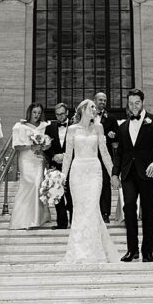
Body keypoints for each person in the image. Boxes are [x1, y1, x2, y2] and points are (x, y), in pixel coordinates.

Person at [111, 88, 153, 262]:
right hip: (128, 174)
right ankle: (132, 250)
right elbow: (119, 153)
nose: (134, 107)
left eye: (137, 103)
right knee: (129, 207)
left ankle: (147, 252)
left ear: (143, 102)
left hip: (149, 173)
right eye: (131, 103)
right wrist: (115, 174)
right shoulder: (123, 126)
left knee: (149, 212)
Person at [60, 99, 119, 263]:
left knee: (92, 207)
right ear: (83, 109)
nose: (95, 109)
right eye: (92, 106)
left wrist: (114, 174)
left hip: (94, 171)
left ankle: (96, 251)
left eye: (95, 106)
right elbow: (67, 156)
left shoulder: (99, 128)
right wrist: (61, 178)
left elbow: (105, 153)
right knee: (79, 211)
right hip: (77, 172)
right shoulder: (72, 129)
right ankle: (79, 251)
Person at [10, 103, 50, 230]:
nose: (36, 115)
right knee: (28, 185)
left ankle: (37, 218)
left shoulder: (44, 126)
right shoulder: (20, 126)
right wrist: (31, 146)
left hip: (38, 159)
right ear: (29, 112)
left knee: (38, 184)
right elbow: (16, 146)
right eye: (34, 112)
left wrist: (43, 146)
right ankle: (22, 219)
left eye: (39, 113)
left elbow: (48, 144)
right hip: (25, 159)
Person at [45, 103, 73, 229]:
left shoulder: (75, 126)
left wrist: (65, 156)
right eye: (57, 114)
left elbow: (78, 146)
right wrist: (53, 156)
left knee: (72, 194)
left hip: (72, 165)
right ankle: (61, 223)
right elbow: (46, 147)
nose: (60, 116)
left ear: (67, 113)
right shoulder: (50, 127)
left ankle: (74, 222)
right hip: (55, 165)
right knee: (57, 194)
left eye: (62, 114)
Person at [93, 91, 119, 222]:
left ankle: (105, 213)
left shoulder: (111, 118)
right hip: (90, 155)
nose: (102, 102)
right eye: (100, 100)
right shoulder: (87, 116)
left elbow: (117, 138)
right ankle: (93, 212)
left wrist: (112, 136)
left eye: (104, 100)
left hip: (104, 156)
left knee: (104, 183)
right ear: (94, 100)